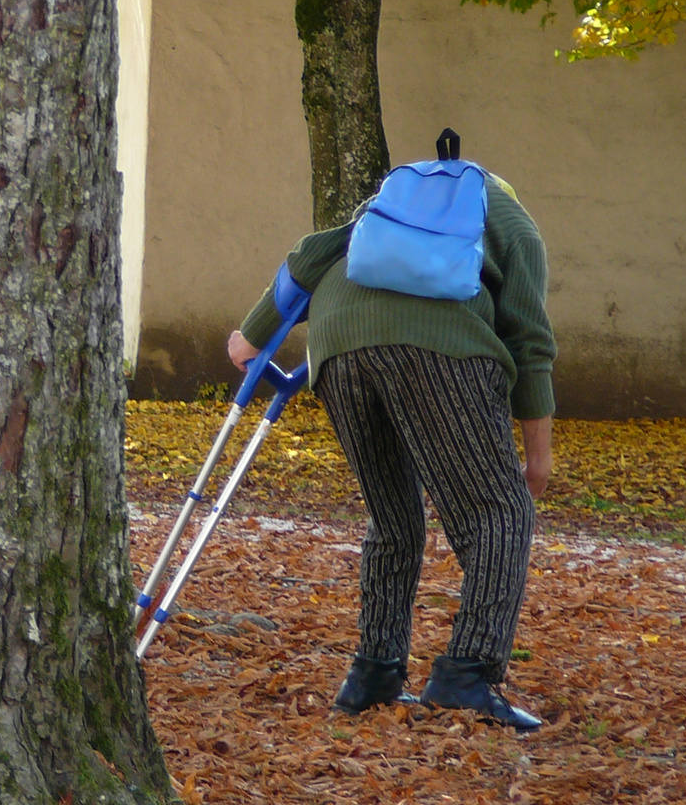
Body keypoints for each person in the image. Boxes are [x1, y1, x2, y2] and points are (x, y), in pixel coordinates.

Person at [228, 165, 554, 731]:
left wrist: (251, 334)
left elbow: (311, 255)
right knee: (498, 509)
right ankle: (467, 677)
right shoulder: (513, 223)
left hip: (338, 339)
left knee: (394, 517)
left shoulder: (393, 200)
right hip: (440, 344)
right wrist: (538, 456)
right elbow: (529, 340)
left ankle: (373, 676)